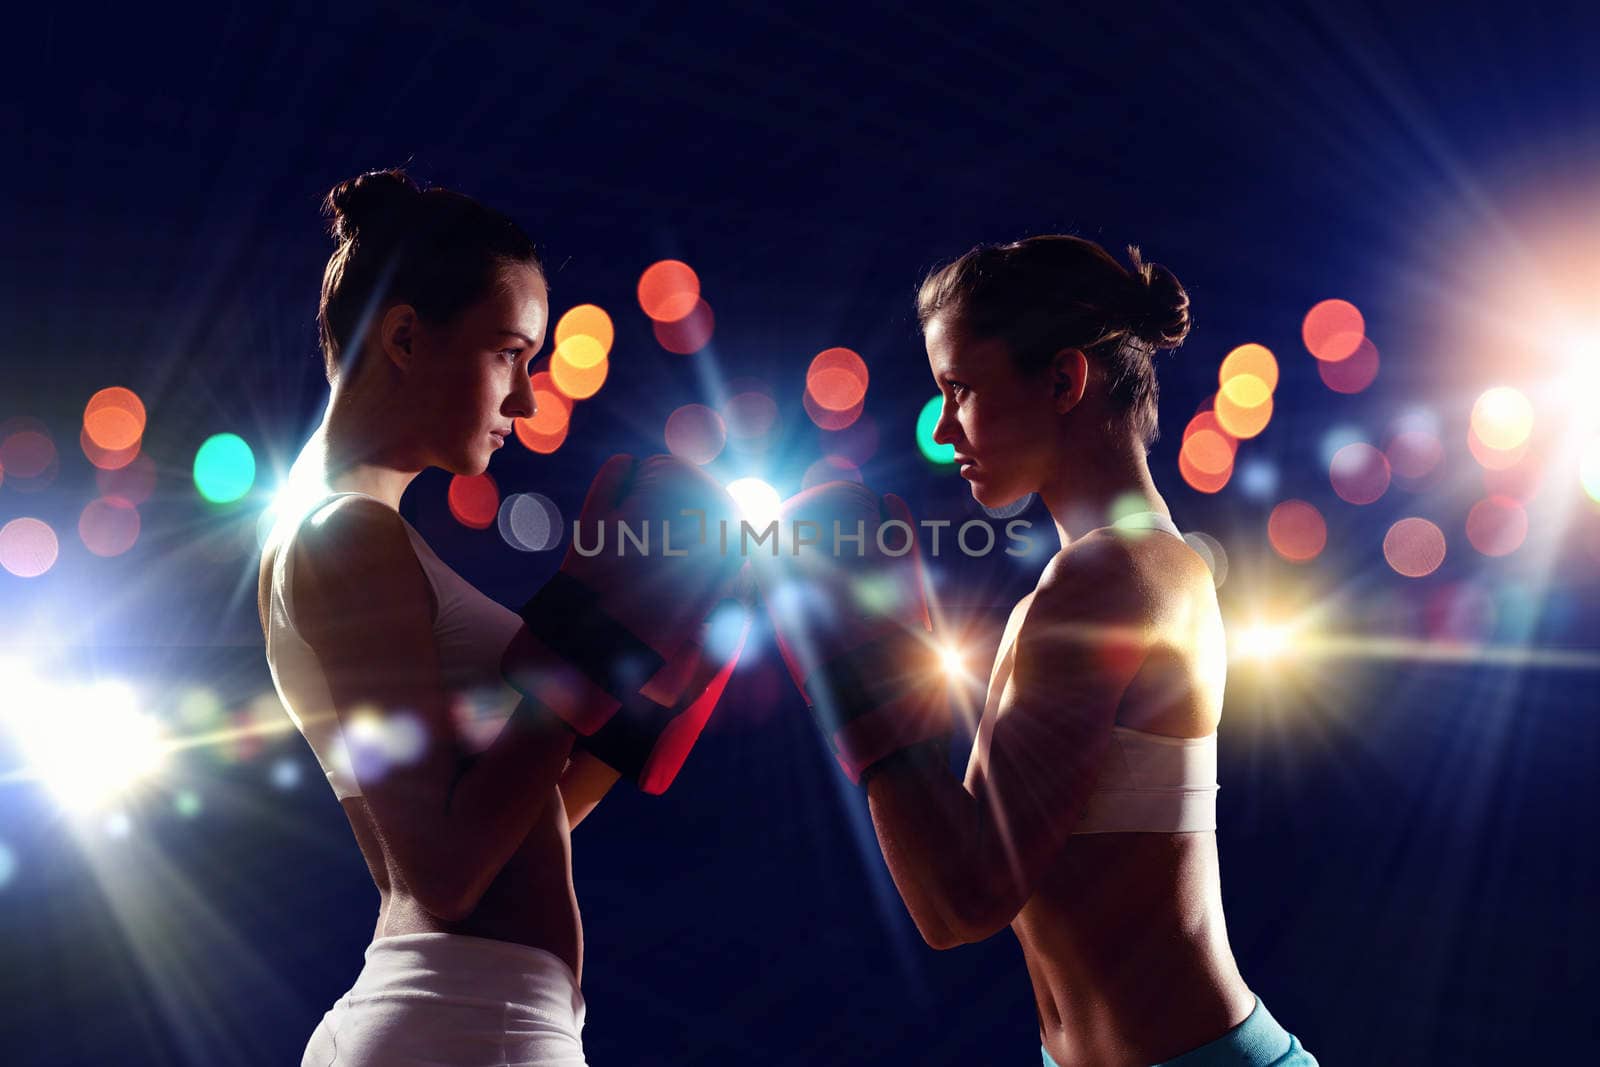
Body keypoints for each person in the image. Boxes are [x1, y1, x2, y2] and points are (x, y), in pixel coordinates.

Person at [758, 236, 1317, 1065]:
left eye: (962, 389)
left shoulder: (1114, 578)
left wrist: (850, 653)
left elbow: (962, 902)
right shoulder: (1089, 582)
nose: (945, 429)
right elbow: (963, 858)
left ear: (1063, 380)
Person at [257, 168, 737, 1066]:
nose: (524, 400)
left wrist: (638, 690)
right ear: (405, 335)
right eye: (511, 354)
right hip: (466, 1020)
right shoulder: (344, 538)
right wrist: (583, 650)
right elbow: (440, 872)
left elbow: (519, 816)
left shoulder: (349, 531)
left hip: (470, 1017)